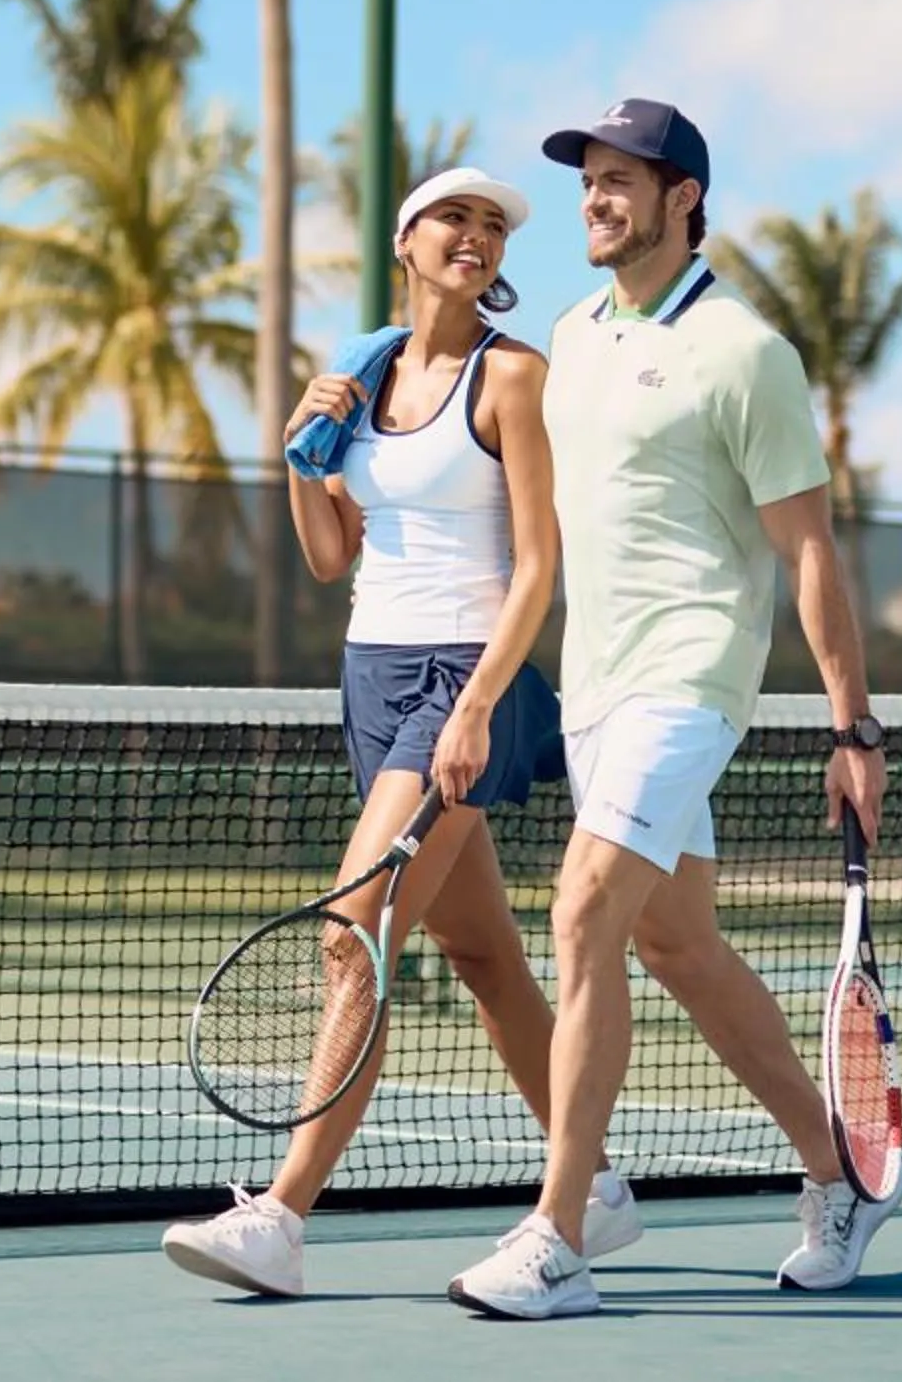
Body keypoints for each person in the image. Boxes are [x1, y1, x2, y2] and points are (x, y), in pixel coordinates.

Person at [444, 100, 897, 1321]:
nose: (596, 200)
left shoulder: (745, 352)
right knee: (675, 944)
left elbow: (808, 551)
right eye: (588, 180)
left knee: (583, 909)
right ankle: (840, 1171)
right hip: (593, 687)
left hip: (692, 677)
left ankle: (559, 1236)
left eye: (620, 180)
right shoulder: (573, 334)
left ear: (682, 197)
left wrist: (852, 726)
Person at [161, 166, 644, 1298]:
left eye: (492, 226)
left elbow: (539, 566)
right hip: (372, 678)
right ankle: (597, 1186)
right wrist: (301, 456)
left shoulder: (512, 376)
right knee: (483, 958)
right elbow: (332, 554)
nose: (476, 236)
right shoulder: (364, 372)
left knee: (355, 933)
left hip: (468, 681)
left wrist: (476, 705)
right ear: (406, 242)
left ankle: (281, 1217)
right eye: (453, 219)